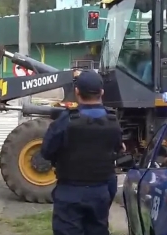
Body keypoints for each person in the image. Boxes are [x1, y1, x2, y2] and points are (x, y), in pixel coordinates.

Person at [40, 70, 123, 235]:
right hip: (101, 191)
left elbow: (46, 152)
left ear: (77, 92)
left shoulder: (65, 121)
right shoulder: (113, 121)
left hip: (70, 191)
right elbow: (117, 149)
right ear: (102, 92)